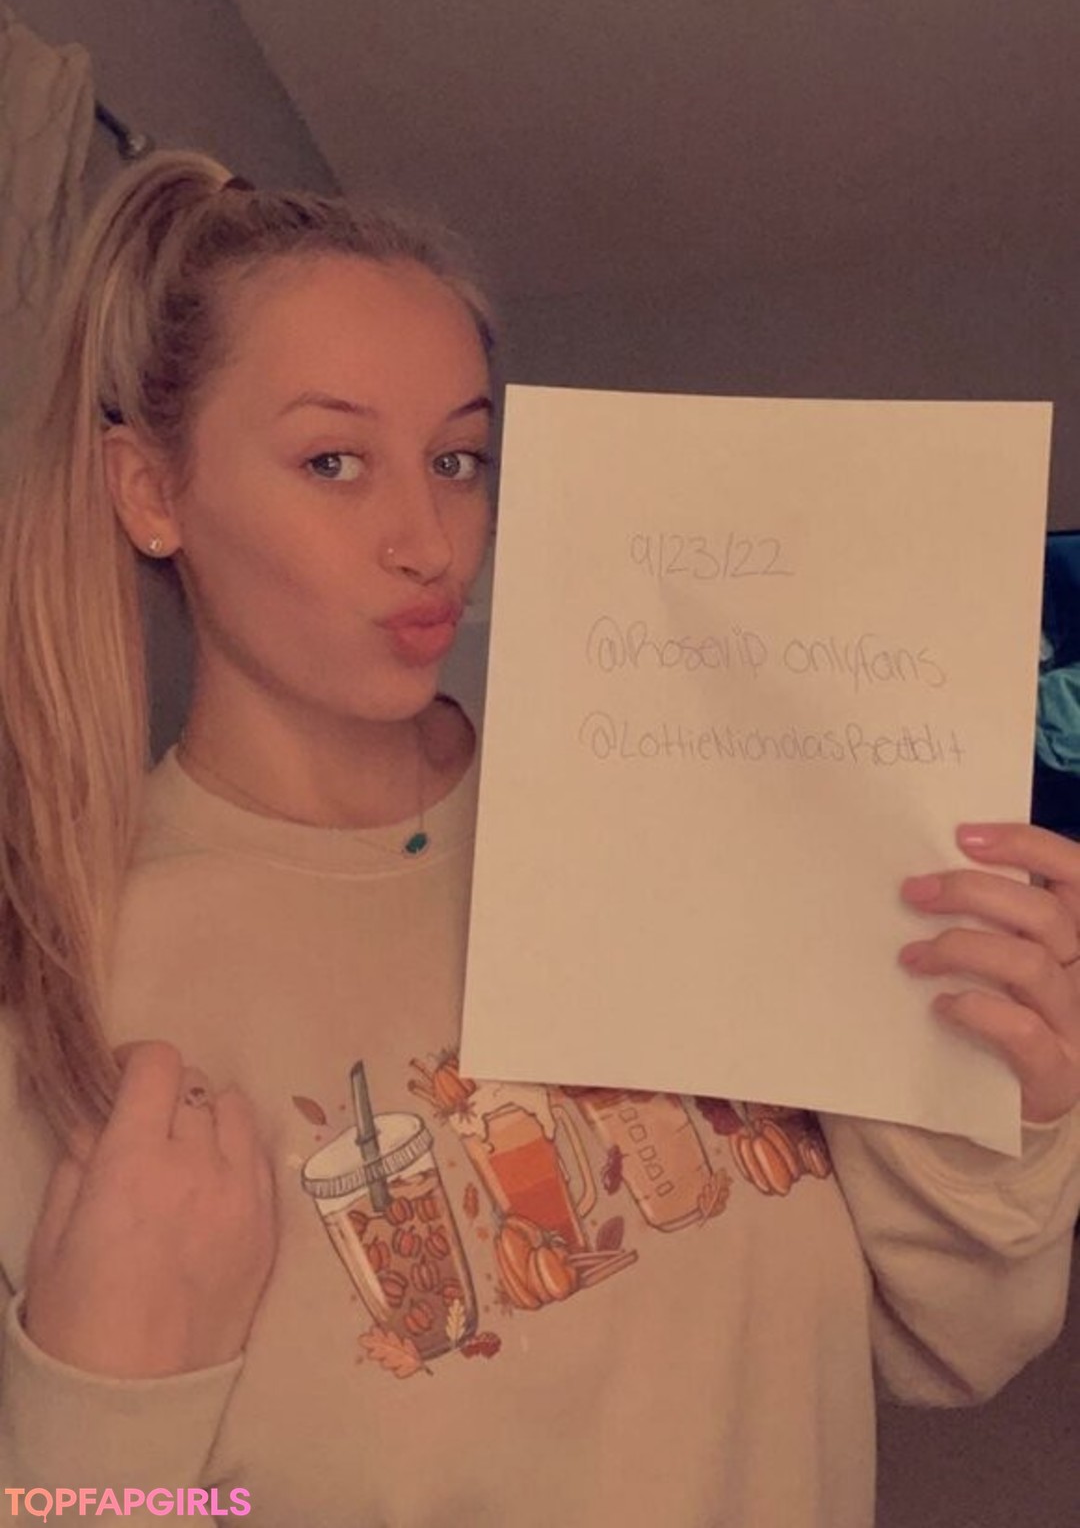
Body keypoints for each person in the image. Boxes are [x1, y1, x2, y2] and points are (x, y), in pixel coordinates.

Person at [0, 151, 1078, 1528]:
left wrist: (1006, 1099)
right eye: (334, 461)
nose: (430, 540)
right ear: (151, 491)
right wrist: (103, 1405)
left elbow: (954, 1344)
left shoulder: (683, 824)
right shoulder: (72, 988)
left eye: (457, 459)